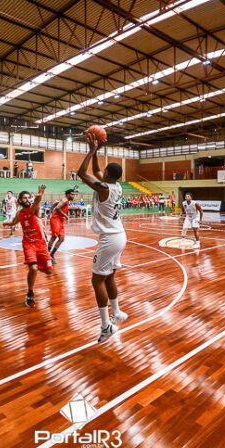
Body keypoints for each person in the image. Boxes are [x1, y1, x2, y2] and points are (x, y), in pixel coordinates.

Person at [78, 133, 127, 344]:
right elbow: (97, 171)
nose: (101, 172)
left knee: (97, 280)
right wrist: (96, 151)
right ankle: (117, 312)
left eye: (104, 171)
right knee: (109, 278)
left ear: (108, 174)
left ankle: (106, 326)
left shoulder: (103, 188)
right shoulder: (116, 186)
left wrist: (90, 151)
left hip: (109, 239)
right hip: (120, 235)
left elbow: (82, 173)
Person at [3, 185, 52, 307]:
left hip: (41, 243)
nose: (27, 199)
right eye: (24, 198)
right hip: (28, 244)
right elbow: (13, 222)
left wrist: (39, 196)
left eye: (29, 198)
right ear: (20, 200)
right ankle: (30, 292)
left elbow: (37, 202)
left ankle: (34, 266)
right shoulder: (20, 213)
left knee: (49, 271)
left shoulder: (34, 209)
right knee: (33, 269)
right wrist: (7, 223)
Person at [47, 189, 75, 264]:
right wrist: (65, 215)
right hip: (56, 219)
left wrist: (50, 212)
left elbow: (55, 204)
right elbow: (57, 208)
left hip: (60, 221)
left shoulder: (65, 200)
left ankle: (51, 255)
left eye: (74, 194)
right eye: (72, 194)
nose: (74, 196)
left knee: (61, 239)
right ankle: (46, 255)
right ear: (68, 194)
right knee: (54, 237)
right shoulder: (65, 200)